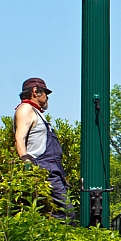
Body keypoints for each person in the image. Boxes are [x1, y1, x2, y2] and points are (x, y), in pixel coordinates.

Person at [14, 77, 70, 218]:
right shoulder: (26, 109)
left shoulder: (37, 113)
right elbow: (19, 137)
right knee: (65, 213)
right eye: (45, 93)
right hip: (43, 168)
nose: (47, 98)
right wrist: (26, 161)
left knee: (60, 212)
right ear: (35, 92)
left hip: (53, 169)